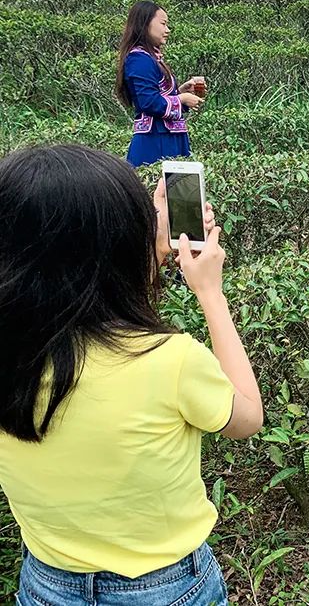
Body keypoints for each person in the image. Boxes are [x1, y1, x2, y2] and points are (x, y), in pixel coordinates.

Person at [0, 144, 264, 604]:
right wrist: (210, 293)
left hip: (47, 585)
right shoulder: (170, 359)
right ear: (121, 251)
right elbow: (246, 419)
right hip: (167, 588)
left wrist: (148, 233)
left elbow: (78, 280)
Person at [116, 1, 207, 167]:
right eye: (163, 24)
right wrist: (181, 99)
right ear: (145, 23)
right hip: (156, 139)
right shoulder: (139, 59)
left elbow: (157, 96)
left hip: (166, 135)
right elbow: (148, 102)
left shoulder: (150, 57)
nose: (168, 30)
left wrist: (180, 91)